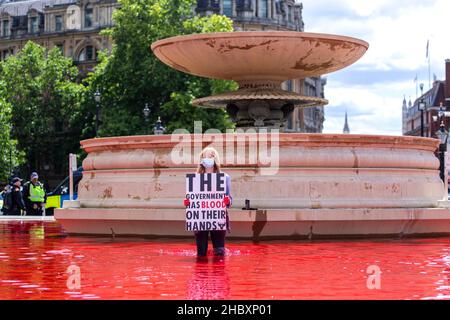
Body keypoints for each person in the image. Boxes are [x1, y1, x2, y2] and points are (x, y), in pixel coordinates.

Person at [184, 147, 232, 257]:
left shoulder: (225, 177)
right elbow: (191, 200)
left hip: (218, 217)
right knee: (201, 253)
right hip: (200, 218)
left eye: (211, 156)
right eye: (205, 156)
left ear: (216, 159)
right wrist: (187, 203)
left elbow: (229, 201)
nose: (208, 159)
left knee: (219, 253)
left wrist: (227, 200)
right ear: (201, 159)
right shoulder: (194, 178)